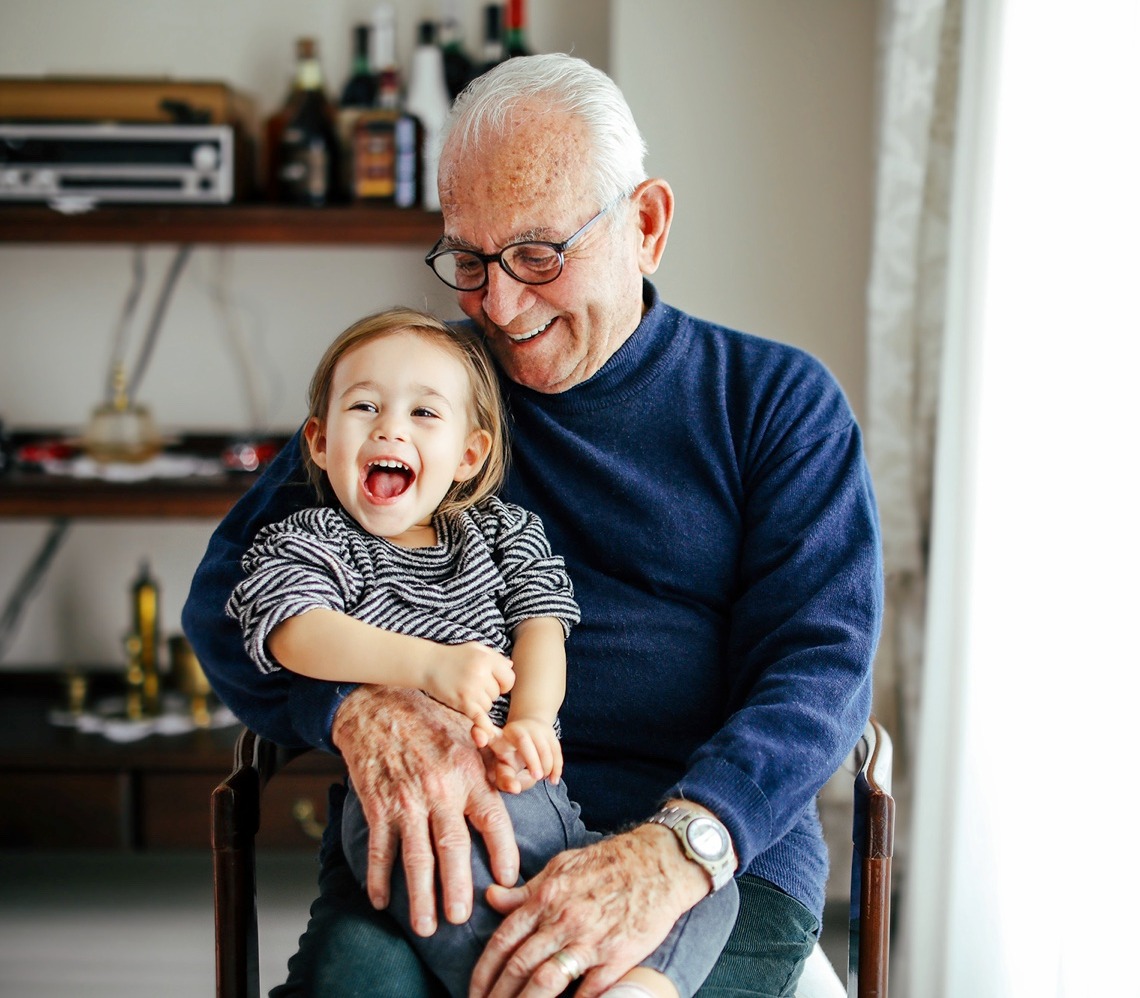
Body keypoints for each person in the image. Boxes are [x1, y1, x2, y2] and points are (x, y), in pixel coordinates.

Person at [183, 53, 882, 998]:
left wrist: (673, 854)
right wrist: (355, 706)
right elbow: (231, 597)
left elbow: (820, 668)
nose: (499, 308)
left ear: (646, 226)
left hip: (704, 852)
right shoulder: (425, 398)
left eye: (539, 255)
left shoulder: (774, 403)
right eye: (468, 260)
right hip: (452, 833)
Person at [224, 308, 738, 998]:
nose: (390, 427)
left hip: (541, 803)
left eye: (423, 413)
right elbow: (294, 629)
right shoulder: (317, 539)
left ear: (469, 453)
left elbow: (543, 627)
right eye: (365, 406)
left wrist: (530, 718)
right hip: (412, 807)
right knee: (445, 890)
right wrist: (427, 666)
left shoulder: (501, 532)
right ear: (318, 442)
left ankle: (639, 988)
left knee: (708, 888)